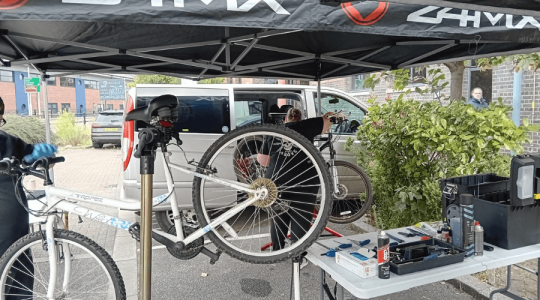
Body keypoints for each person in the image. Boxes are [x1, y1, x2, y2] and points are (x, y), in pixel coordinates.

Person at [0, 97, 57, 299]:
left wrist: (41, 155)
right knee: (16, 261)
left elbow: (35, 155)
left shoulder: (7, 139)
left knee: (17, 260)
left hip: (13, 212)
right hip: (12, 211)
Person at [257, 108, 333, 250]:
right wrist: (326, 116)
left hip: (276, 181)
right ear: (300, 118)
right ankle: (298, 255)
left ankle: (277, 251)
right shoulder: (308, 125)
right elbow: (327, 122)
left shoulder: (274, 130)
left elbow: (262, 160)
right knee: (301, 216)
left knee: (278, 217)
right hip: (304, 181)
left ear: (286, 119)